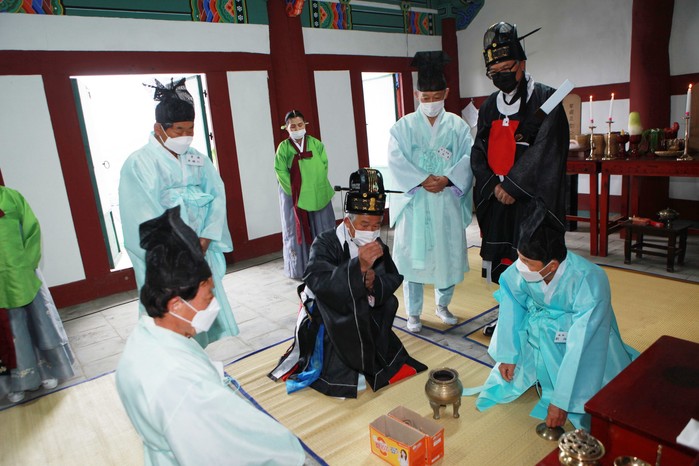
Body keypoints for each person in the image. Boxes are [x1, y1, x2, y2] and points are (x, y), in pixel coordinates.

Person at [115, 206, 305, 465]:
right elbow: (220, 448)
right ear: (176, 304)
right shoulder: (179, 383)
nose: (214, 304)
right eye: (208, 296)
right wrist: (285, 448)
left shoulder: (145, 336)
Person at [467, 199, 638, 430]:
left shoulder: (589, 280)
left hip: (582, 340)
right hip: (539, 333)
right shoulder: (521, 271)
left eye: (528, 262)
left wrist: (561, 400)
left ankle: (567, 391)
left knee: (599, 402)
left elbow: (583, 343)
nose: (520, 266)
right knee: (509, 376)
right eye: (520, 258)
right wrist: (509, 355)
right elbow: (511, 308)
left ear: (553, 265)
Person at [269, 169, 427, 398]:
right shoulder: (326, 242)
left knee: (388, 302)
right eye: (365, 224)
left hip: (362, 307)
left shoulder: (377, 244)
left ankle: (372, 356)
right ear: (347, 222)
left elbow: (393, 277)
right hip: (329, 311)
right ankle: (342, 368)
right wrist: (357, 269)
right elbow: (317, 281)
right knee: (345, 316)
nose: (371, 232)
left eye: (376, 225)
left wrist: (373, 285)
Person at [119, 77, 237, 348]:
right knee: (168, 312)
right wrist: (180, 247)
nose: (185, 135)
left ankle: (197, 355)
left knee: (198, 308)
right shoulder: (139, 163)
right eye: (178, 130)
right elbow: (143, 214)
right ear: (158, 128)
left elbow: (217, 195)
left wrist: (206, 237)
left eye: (190, 128)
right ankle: (170, 357)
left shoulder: (197, 158)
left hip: (199, 248)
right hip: (167, 255)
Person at [471, 22, 570, 285]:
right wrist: (494, 185)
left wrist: (513, 186)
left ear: (522, 63)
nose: (500, 76)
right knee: (501, 268)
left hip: (532, 201)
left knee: (534, 264)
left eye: (506, 69)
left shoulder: (547, 99)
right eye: (494, 72)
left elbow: (547, 150)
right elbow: (479, 151)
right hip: (496, 199)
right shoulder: (489, 106)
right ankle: (505, 308)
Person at [387, 51, 474, 333]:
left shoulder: (458, 126)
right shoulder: (402, 127)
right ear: (416, 95)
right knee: (414, 259)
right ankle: (413, 312)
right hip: (416, 202)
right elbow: (395, 160)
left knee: (446, 256)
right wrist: (422, 178)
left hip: (446, 200)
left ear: (446, 94)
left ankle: (442, 306)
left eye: (437, 96)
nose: (431, 102)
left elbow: (469, 158)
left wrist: (448, 179)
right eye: (425, 97)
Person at [0, 186, 74, 403]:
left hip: (23, 272)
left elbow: (31, 228)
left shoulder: (11, 197)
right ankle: (15, 383)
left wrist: (28, 264)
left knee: (37, 323)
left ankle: (47, 371)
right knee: (10, 331)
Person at [274, 109, 336, 280]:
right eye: (293, 126)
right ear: (286, 128)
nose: (297, 129)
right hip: (294, 194)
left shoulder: (316, 144)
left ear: (305, 125)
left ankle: (326, 265)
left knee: (323, 227)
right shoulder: (283, 148)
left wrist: (314, 184)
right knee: (295, 230)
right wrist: (294, 189)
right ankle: (299, 268)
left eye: (300, 125)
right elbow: (280, 170)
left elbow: (323, 165)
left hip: (317, 191)